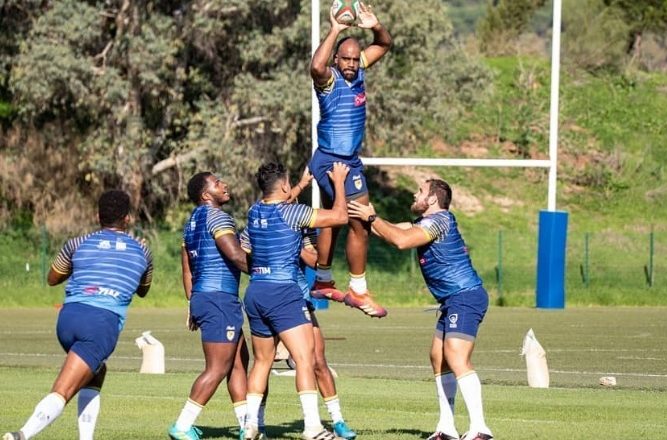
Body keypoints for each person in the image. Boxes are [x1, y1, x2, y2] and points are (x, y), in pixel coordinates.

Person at [347, 179, 493, 440]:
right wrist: (362, 217)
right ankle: (446, 428)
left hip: (465, 296)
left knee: (456, 357)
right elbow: (391, 231)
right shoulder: (424, 224)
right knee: (438, 358)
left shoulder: (440, 221)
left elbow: (401, 241)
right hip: (452, 300)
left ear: (434, 199)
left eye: (420, 192)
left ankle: (481, 429)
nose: (415, 195)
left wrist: (372, 216)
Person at [3, 190, 153, 440]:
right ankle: (21, 434)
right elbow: (143, 290)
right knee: (64, 390)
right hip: (101, 324)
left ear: (98, 216)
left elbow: (52, 279)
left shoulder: (77, 243)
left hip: (68, 319)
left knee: (97, 371)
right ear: (127, 219)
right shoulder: (142, 251)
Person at [240, 162, 349, 440]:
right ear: (285, 186)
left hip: (255, 292)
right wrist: (338, 181)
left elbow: (278, 201)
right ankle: (313, 427)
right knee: (304, 359)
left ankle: (249, 424)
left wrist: (300, 185)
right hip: (284, 292)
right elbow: (339, 216)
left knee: (262, 362)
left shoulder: (254, 212)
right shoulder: (293, 213)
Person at [307, 1, 392, 318]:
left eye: (356, 60)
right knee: (360, 220)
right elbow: (316, 67)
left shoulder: (359, 72)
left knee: (336, 218)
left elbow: (384, 43)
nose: (352, 64)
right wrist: (335, 30)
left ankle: (323, 279)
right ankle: (358, 289)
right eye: (346, 59)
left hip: (345, 159)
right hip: (333, 160)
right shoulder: (329, 80)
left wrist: (375, 25)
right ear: (336, 58)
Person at [168, 173, 252, 440]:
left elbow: (187, 271)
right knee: (217, 368)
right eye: (217, 183)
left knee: (239, 362)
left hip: (206, 298)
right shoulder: (218, 217)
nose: (224, 185)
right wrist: (266, 270)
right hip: (219, 299)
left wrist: (192, 302)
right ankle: (182, 426)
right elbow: (237, 256)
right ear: (206, 195)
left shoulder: (191, 223)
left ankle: (246, 426)